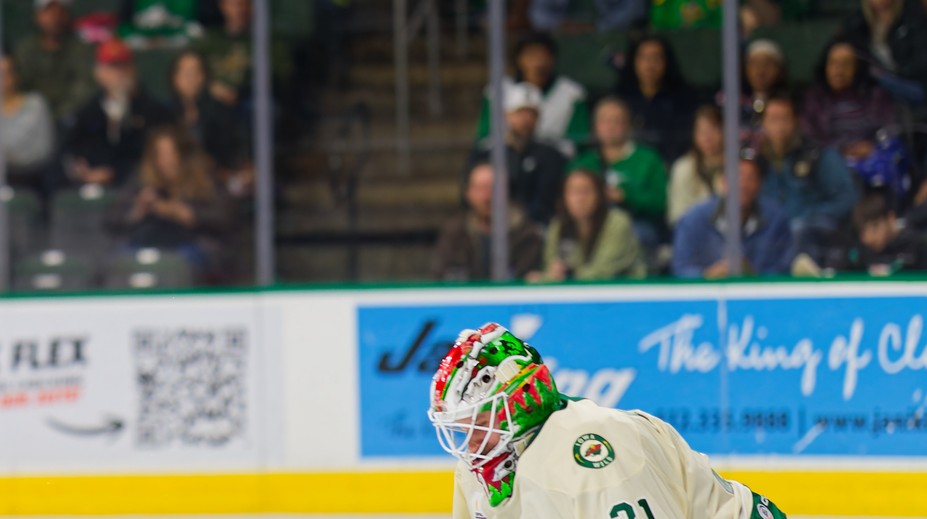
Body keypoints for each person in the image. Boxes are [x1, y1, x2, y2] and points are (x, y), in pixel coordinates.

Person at [428, 323, 789, 518]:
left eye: (481, 423)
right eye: (463, 430)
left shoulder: (594, 454)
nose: (471, 446)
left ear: (522, 401)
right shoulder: (475, 474)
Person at [105, 125, 233, 281]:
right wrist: (137, 211)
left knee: (182, 264)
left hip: (191, 247)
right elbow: (111, 218)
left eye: (171, 154)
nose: (166, 161)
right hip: (147, 244)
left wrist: (187, 214)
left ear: (183, 155)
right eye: (160, 155)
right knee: (121, 260)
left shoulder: (204, 182)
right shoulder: (141, 182)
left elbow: (225, 218)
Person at [759, 94, 858, 266]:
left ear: (796, 122)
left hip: (817, 232)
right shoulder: (758, 163)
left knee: (799, 230)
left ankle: (800, 277)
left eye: (785, 119)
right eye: (773, 119)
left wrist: (810, 216)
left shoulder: (818, 155)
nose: (779, 126)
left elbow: (847, 198)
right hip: (773, 235)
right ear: (763, 124)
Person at [63, 38, 171, 189]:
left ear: (133, 69)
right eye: (112, 67)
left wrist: (114, 173)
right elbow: (72, 151)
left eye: (123, 66)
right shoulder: (87, 113)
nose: (119, 74)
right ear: (99, 72)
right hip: (92, 189)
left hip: (140, 189)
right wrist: (82, 170)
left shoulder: (154, 112)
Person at [569, 97, 668, 254]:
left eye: (617, 121)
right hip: (589, 225)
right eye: (605, 121)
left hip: (636, 226)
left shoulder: (648, 159)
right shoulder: (583, 162)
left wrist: (626, 196)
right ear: (595, 126)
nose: (611, 127)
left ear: (628, 125)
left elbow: (660, 201)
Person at [672, 153, 793, 278]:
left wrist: (753, 277)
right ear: (723, 182)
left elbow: (783, 269)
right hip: (708, 295)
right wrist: (708, 276)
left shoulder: (776, 220)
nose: (743, 184)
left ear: (760, 184)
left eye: (750, 178)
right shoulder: (693, 220)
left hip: (758, 295)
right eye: (737, 176)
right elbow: (681, 269)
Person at [475, 32, 590, 157]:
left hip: (553, 166)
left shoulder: (572, 93)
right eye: (531, 55)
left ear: (553, 59)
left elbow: (578, 143)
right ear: (519, 59)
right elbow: (483, 140)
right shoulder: (497, 92)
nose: (538, 62)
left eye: (544, 56)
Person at [467, 82, 566, 225]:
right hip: (493, 227)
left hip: (539, 229)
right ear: (506, 115)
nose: (525, 119)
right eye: (519, 112)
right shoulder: (486, 153)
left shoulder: (552, 156)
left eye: (531, 114)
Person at [527, 169, 645, 282]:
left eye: (586, 191)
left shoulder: (618, 222)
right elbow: (551, 265)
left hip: (624, 294)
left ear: (599, 195)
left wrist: (566, 276)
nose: (579, 199)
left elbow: (604, 271)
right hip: (574, 294)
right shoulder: (558, 224)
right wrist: (549, 275)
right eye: (573, 192)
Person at [434, 162, 543, 281]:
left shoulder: (527, 234)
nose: (487, 196)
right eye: (480, 188)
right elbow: (444, 277)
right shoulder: (455, 234)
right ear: (468, 194)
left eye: (493, 188)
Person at [168, 49, 252, 198]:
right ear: (175, 78)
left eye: (196, 73)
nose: (191, 78)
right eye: (185, 73)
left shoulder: (219, 110)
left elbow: (230, 151)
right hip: (174, 178)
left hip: (215, 177)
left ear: (204, 77)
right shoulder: (165, 112)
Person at [801, 37, 897, 157]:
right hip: (830, 161)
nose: (838, 70)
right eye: (833, 63)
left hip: (871, 159)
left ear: (857, 67)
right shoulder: (814, 97)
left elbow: (891, 130)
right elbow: (810, 137)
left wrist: (872, 146)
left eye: (846, 64)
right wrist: (841, 150)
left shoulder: (874, 95)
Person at [192, 0, 293, 109]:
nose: (238, 10)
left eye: (243, 4)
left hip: (249, 105)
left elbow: (281, 79)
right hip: (211, 103)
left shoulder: (269, 43)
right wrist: (210, 88)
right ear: (223, 6)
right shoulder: (208, 41)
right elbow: (189, 74)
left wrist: (241, 94)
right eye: (233, 4)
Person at [616, 34, 696, 163]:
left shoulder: (683, 101)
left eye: (656, 58)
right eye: (644, 58)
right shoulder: (620, 99)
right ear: (634, 61)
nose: (650, 65)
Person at [13, 0, 96, 124]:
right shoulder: (25, 49)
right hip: (29, 119)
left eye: (61, 11)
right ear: (37, 16)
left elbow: (84, 89)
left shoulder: (81, 49)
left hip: (70, 120)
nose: (55, 17)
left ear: (68, 15)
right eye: (48, 11)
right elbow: (18, 87)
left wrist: (56, 117)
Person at [842, 0, 927, 104]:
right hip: (877, 81)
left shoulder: (912, 16)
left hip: (914, 83)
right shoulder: (857, 22)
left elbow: (920, 61)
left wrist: (896, 74)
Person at [0, 55, 56, 196]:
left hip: (33, 179)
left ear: (15, 75)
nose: (3, 79)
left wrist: (9, 158)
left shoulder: (36, 104)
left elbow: (43, 149)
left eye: (6, 73)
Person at [667, 105, 725, 226]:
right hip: (694, 233)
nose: (707, 137)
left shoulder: (739, 168)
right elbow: (676, 215)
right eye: (702, 131)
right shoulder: (683, 167)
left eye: (713, 130)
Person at [847, 191, 927, 274]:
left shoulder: (918, 247)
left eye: (875, 227)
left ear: (890, 218)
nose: (869, 238)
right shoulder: (860, 257)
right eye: (863, 232)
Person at [738, 39, 789, 141]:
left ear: (779, 69)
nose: (760, 70)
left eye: (767, 64)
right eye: (754, 63)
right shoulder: (732, 101)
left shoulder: (790, 103)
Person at [530, 0, 649, 33]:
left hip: (613, 36)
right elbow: (537, 16)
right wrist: (561, 24)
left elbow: (635, 11)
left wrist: (596, 26)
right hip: (565, 39)